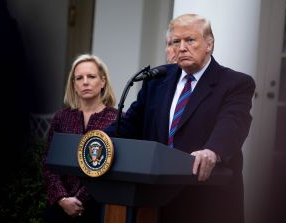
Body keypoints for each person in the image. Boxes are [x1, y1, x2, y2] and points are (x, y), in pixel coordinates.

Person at [105, 13, 255, 223]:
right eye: (176, 41)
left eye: (190, 40)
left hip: (207, 197)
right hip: (157, 199)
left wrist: (213, 151)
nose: (181, 47)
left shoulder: (235, 83)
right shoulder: (158, 80)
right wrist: (97, 140)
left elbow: (233, 124)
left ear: (209, 44)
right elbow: (131, 123)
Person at [42, 53, 118, 223]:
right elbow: (48, 163)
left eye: (91, 76)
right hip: (58, 208)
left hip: (97, 208)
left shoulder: (118, 120)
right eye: (79, 78)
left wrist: (80, 199)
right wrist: (62, 198)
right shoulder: (61, 117)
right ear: (74, 85)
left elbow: (112, 166)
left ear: (103, 81)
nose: (85, 82)